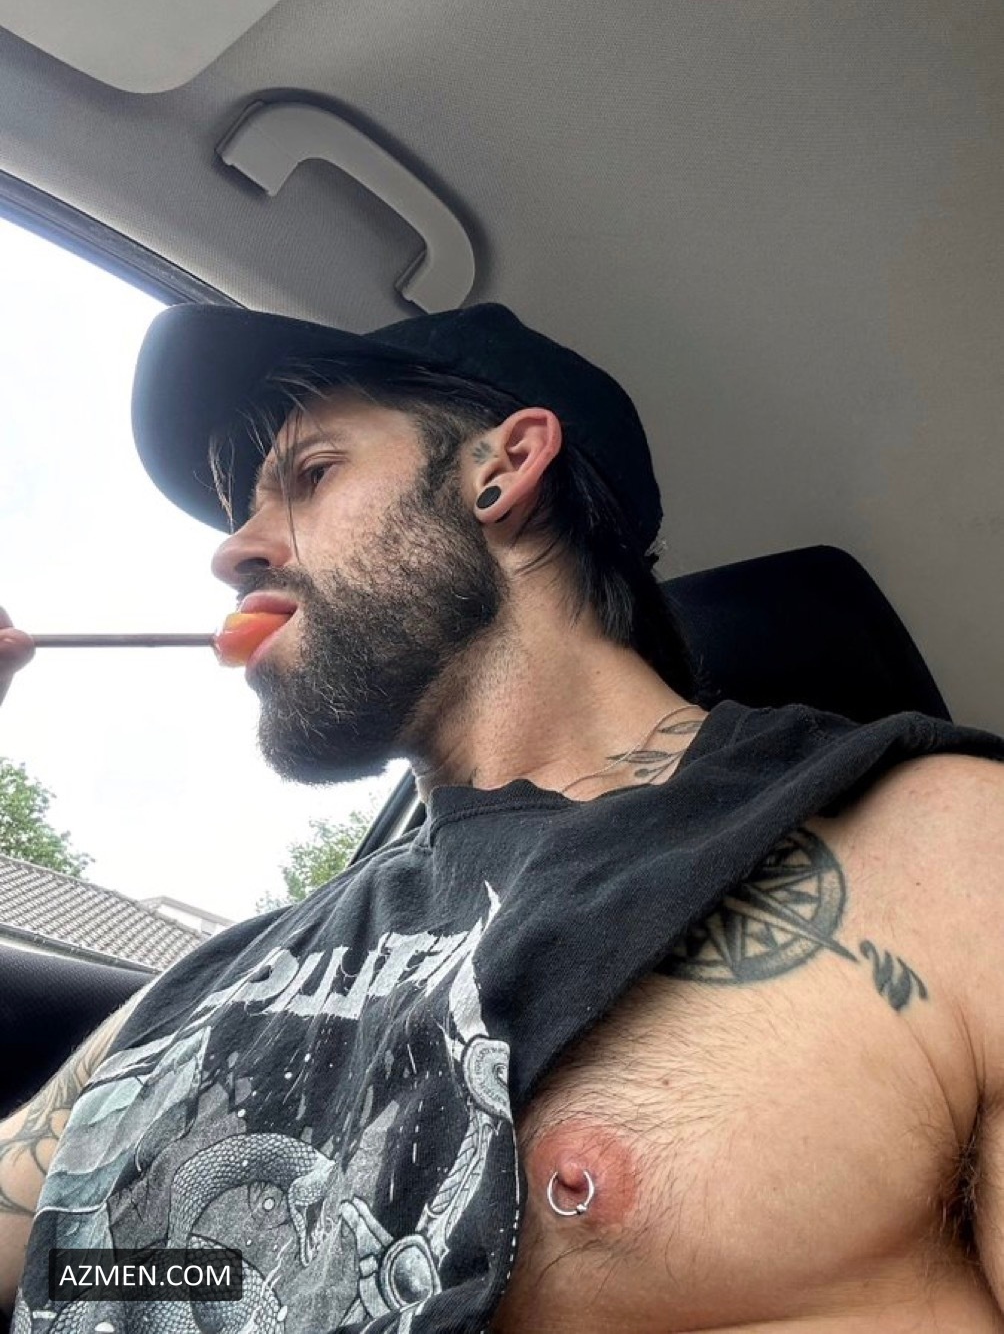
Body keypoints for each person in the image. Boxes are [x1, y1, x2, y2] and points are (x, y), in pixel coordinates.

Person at [1, 301, 1003, 1334]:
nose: (232, 554)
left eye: (310, 475)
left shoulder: (949, 857)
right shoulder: (200, 986)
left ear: (503, 469)